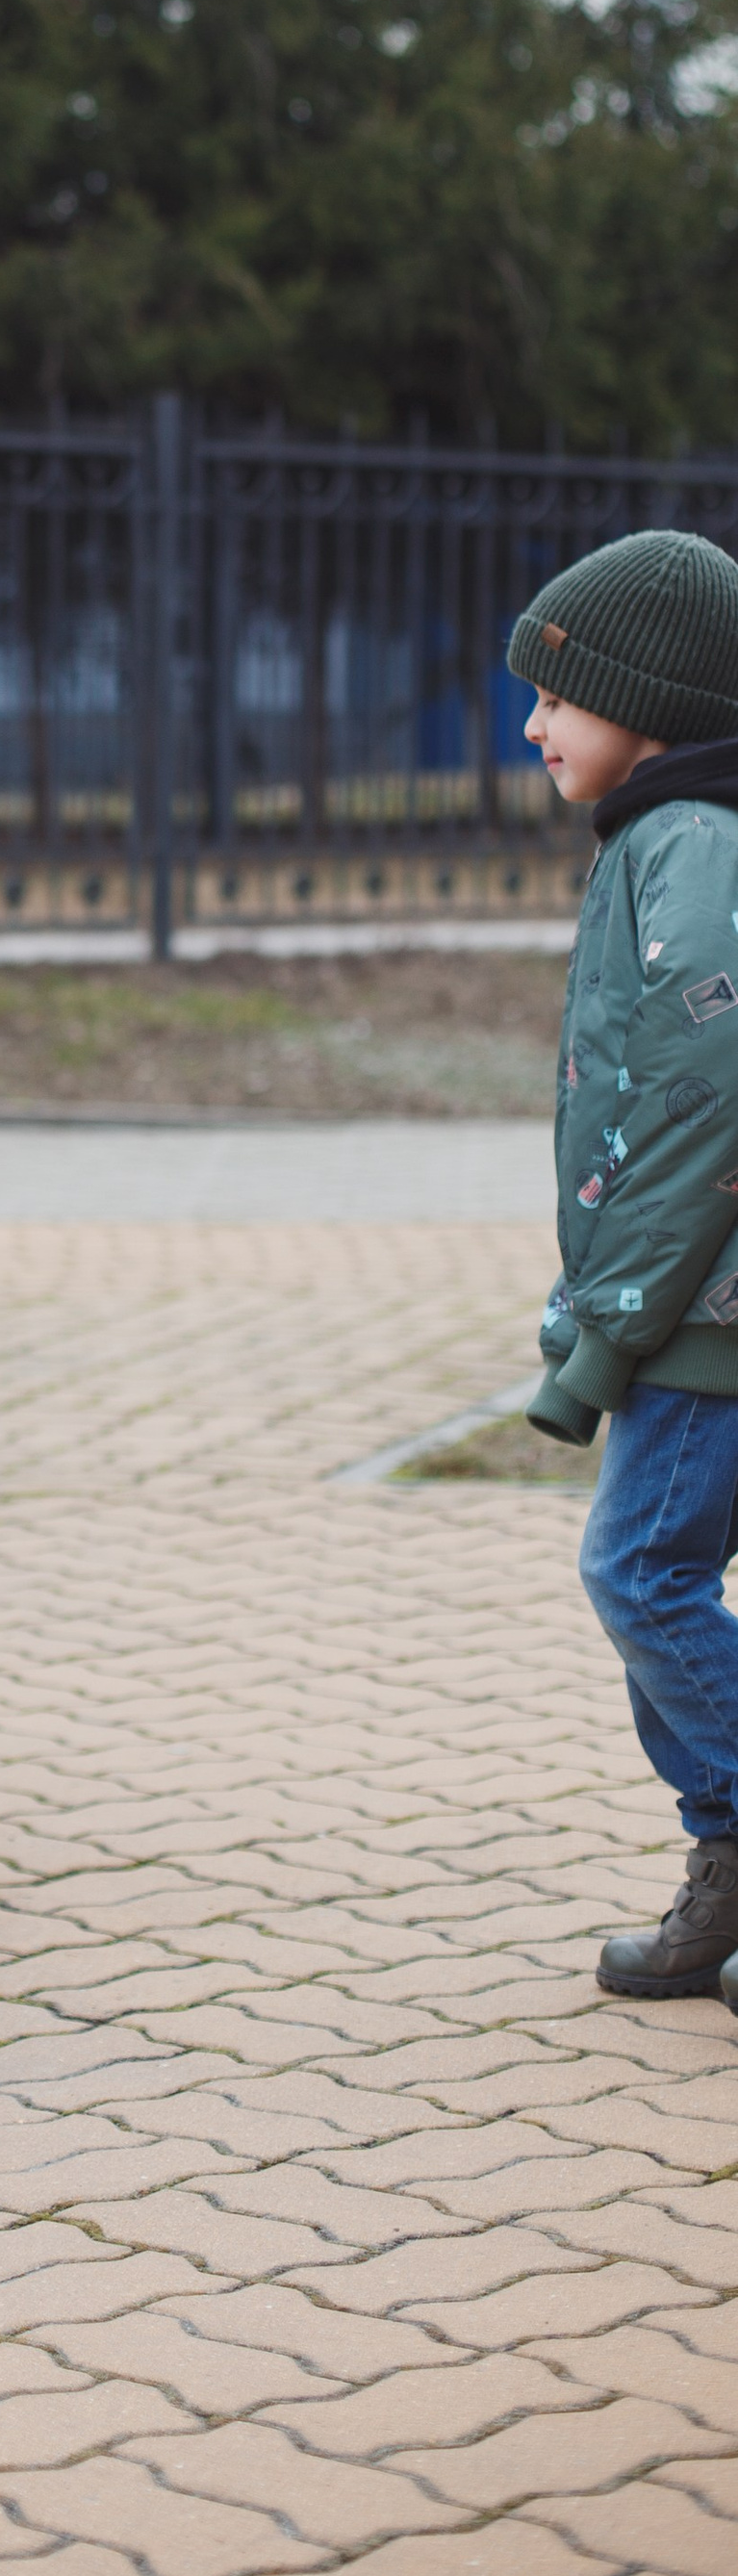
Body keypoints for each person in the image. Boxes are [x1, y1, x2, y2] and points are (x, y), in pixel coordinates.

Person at [512, 528, 738, 2004]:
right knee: (659, 1572)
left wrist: (612, 1324)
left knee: (640, 1570)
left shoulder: (692, 844)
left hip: (702, 1320)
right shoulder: (667, 836)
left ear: (645, 698)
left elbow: (698, 1103)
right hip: (693, 1306)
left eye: (555, 694)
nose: (532, 724)